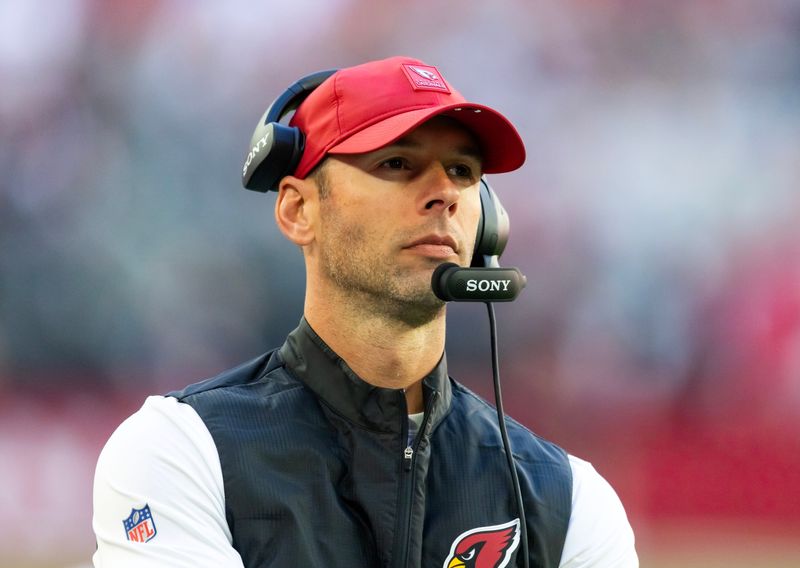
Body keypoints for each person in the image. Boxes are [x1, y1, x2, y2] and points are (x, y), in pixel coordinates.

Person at [92, 56, 638, 568]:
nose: (444, 193)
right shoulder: (180, 451)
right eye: (398, 162)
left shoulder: (568, 498)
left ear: (488, 224)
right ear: (298, 208)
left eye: (463, 171)